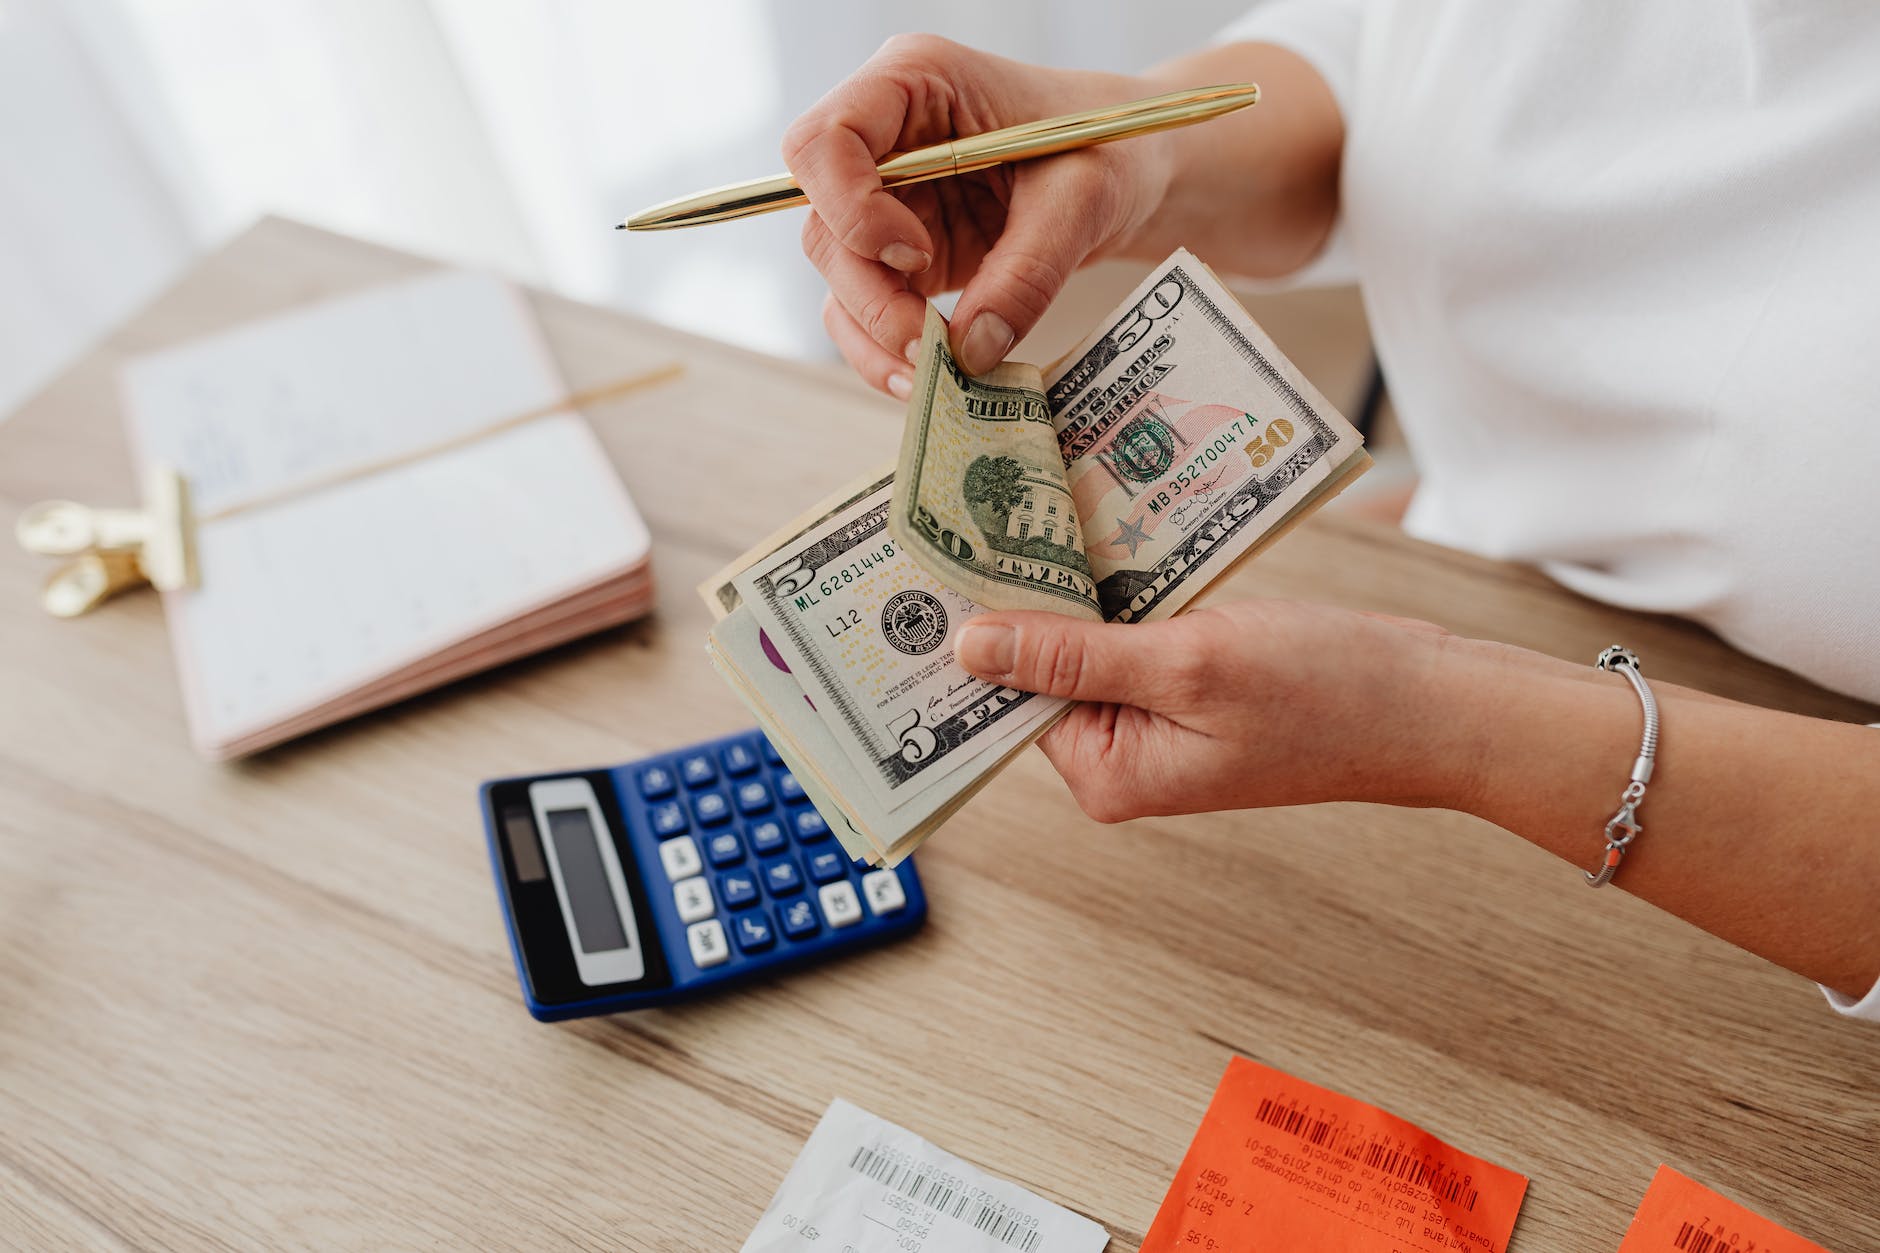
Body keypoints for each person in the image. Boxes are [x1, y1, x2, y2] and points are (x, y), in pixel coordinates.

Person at [779, 6, 1880, 1019]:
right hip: (1477, 580)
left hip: (1746, 875)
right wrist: (1134, 143)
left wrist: (1440, 719)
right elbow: (1390, 73)